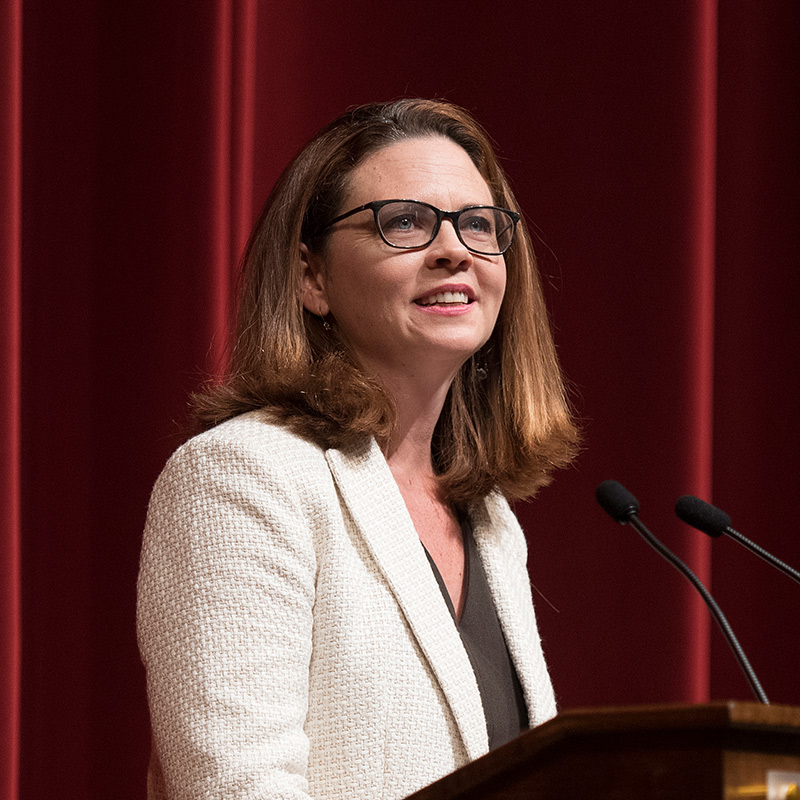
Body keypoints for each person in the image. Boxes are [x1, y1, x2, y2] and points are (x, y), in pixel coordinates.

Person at [137, 98, 579, 800]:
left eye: (478, 225)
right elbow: (238, 788)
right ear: (312, 278)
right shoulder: (244, 477)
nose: (453, 249)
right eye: (405, 222)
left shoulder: (489, 519)